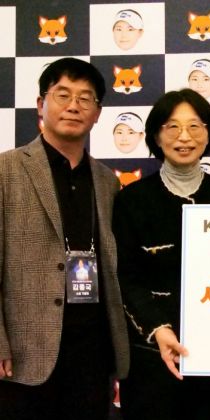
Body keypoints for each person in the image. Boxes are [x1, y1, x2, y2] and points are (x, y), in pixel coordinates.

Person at [0, 57, 129, 420]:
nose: (74, 106)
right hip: (24, 354)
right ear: (41, 104)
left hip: (92, 353)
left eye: (85, 98)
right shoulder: (6, 169)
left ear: (97, 114)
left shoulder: (107, 181)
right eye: (63, 95)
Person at [112, 88, 210, 420]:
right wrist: (159, 329)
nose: (184, 137)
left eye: (195, 126)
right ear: (156, 136)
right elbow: (125, 278)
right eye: (172, 127)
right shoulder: (131, 200)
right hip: (149, 356)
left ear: (209, 134)